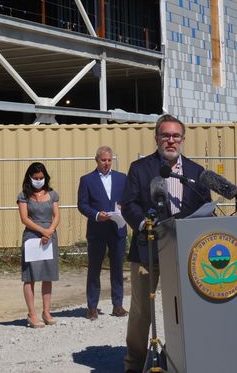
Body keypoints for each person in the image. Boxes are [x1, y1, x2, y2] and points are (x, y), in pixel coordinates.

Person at [121, 114, 212, 373]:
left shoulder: (196, 172)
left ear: (183, 139)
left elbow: (205, 207)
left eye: (175, 136)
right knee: (141, 312)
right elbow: (128, 204)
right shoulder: (139, 168)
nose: (170, 141)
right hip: (146, 249)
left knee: (186, 308)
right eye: (165, 135)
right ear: (156, 138)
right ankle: (134, 364)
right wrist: (144, 225)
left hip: (185, 252)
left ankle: (185, 360)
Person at [77, 146, 128, 320]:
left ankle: (118, 305)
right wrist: (97, 215)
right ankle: (92, 307)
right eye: (103, 160)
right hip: (97, 230)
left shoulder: (122, 178)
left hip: (117, 229)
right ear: (96, 160)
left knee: (117, 268)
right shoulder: (87, 180)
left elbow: (129, 200)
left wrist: (123, 209)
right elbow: (82, 205)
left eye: (109, 160)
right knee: (94, 269)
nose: (106, 163)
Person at [18, 162, 60, 329]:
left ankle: (47, 311)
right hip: (32, 237)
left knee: (47, 275)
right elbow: (24, 218)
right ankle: (32, 313)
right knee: (30, 277)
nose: (39, 180)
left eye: (41, 178)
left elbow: (56, 215)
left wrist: (49, 231)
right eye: (35, 178)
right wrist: (42, 231)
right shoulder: (23, 196)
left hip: (49, 236)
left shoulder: (52, 194)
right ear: (30, 178)